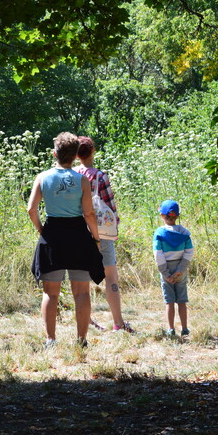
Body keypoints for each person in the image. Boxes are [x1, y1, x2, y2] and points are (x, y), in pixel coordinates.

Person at [28, 132, 105, 348]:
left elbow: (31, 209)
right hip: (78, 235)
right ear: (75, 156)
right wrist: (96, 238)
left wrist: (42, 230)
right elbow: (89, 214)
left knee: (50, 292)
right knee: (81, 291)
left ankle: (50, 340)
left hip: (52, 234)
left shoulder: (42, 177)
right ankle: (81, 340)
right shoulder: (82, 180)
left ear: (55, 154)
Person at [75, 136, 133, 333]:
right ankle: (118, 323)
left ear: (76, 155)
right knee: (111, 277)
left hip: (79, 231)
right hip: (102, 232)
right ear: (93, 151)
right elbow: (110, 205)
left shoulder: (72, 175)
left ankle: (87, 320)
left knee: (82, 279)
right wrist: (115, 224)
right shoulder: (100, 176)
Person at [153, 200, 195, 336]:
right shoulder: (184, 233)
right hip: (180, 270)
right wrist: (181, 269)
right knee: (182, 301)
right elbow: (189, 252)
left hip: (166, 268)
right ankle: (185, 329)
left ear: (161, 215)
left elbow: (158, 254)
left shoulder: (159, 233)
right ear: (177, 216)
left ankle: (171, 329)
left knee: (169, 302)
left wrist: (165, 273)